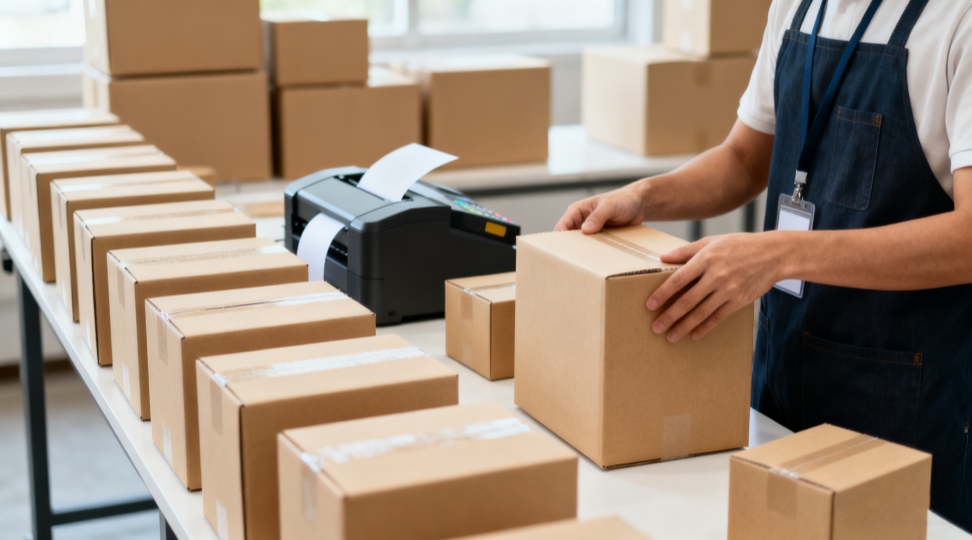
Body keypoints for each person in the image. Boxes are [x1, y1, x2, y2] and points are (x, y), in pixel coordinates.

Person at [556, 0, 972, 530]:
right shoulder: (797, 8)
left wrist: (778, 253)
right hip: (781, 373)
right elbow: (743, 159)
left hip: (900, 403)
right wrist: (644, 197)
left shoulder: (959, 20)